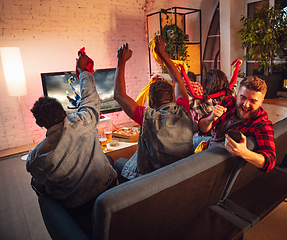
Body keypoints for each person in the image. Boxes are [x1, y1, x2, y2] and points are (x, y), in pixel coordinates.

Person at [26, 51, 118, 213]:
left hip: (77, 204)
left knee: (36, 183)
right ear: (64, 113)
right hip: (107, 185)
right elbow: (90, 97)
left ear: (40, 124)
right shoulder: (83, 121)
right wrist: (82, 71)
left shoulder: (35, 158)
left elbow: (42, 179)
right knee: (108, 159)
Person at [113, 36, 193, 181]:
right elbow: (178, 80)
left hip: (153, 180)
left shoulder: (148, 117)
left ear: (150, 101)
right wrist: (162, 53)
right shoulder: (184, 110)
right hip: (182, 174)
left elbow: (119, 95)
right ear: (173, 98)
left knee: (119, 162)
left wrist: (121, 61)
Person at [194, 76, 276, 172]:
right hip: (209, 141)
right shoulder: (229, 102)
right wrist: (211, 118)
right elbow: (202, 129)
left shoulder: (262, 124)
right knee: (186, 141)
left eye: (253, 101)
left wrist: (244, 153)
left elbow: (270, 162)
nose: (246, 104)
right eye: (243, 98)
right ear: (237, 94)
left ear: (261, 102)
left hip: (213, 157)